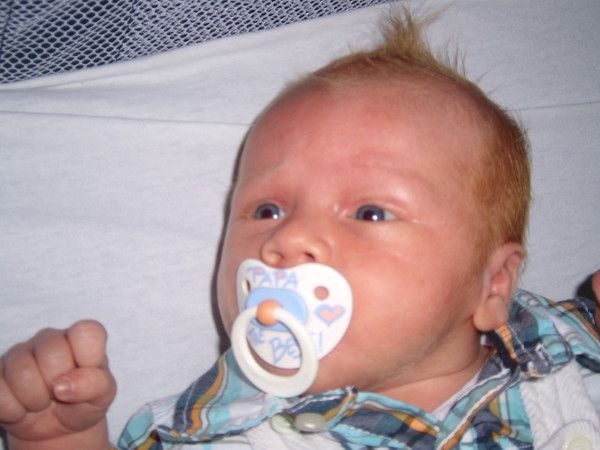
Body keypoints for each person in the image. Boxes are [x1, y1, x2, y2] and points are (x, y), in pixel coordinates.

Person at [1, 10, 600, 450]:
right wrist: (59, 439)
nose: (286, 241)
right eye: (267, 210)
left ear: (493, 285)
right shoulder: (209, 432)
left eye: (369, 213)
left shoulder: (573, 352)